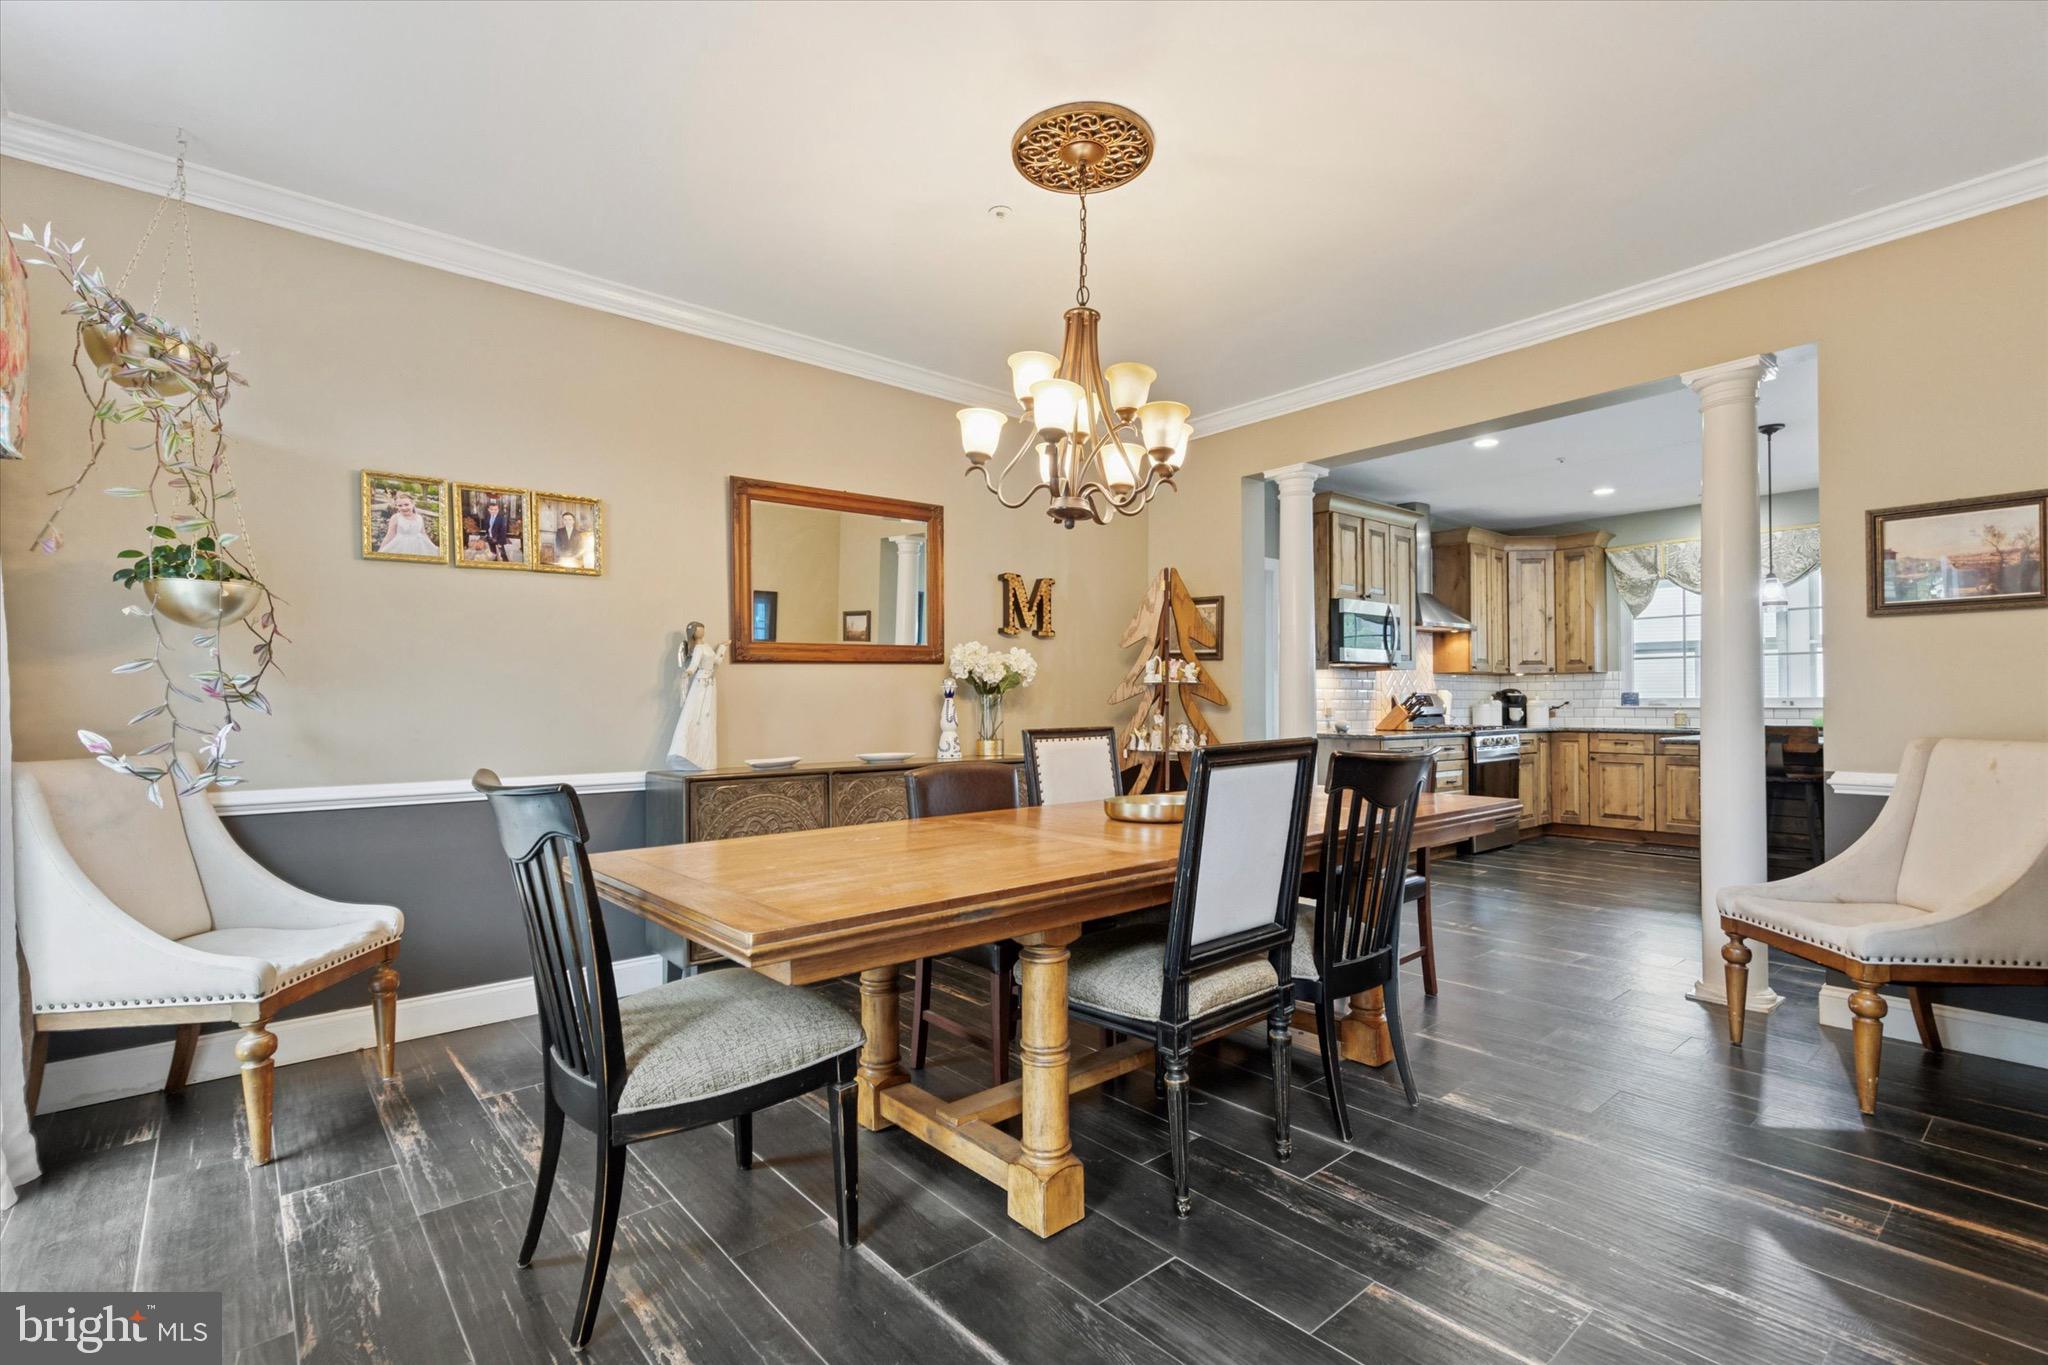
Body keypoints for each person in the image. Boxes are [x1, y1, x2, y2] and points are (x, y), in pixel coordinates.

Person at [667, 622, 725, 771]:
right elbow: (693, 666)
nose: (702, 632)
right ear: (694, 633)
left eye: (703, 630)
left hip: (710, 684)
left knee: (707, 718)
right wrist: (688, 673)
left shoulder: (706, 647)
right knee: (697, 715)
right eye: (699, 630)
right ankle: (690, 753)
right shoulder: (698, 649)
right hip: (701, 683)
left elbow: (717, 662)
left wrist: (723, 647)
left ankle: (705, 757)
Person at [377, 490, 440, 557]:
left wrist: (432, 546)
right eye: (400, 506)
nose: (404, 508)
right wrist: (381, 549)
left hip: (418, 545)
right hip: (400, 545)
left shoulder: (419, 518)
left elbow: (423, 533)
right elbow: (390, 535)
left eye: (406, 505)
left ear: (413, 504)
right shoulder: (396, 518)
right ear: (397, 506)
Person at [484, 497, 513, 561]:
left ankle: (505, 564)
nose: (494, 511)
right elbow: (487, 527)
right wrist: (487, 534)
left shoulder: (501, 518)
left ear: (498, 509)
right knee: (493, 553)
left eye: (495, 509)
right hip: (490, 538)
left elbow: (503, 531)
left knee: (501, 554)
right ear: (488, 509)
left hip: (498, 539)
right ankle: (495, 563)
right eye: (492, 509)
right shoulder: (487, 517)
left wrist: (500, 542)